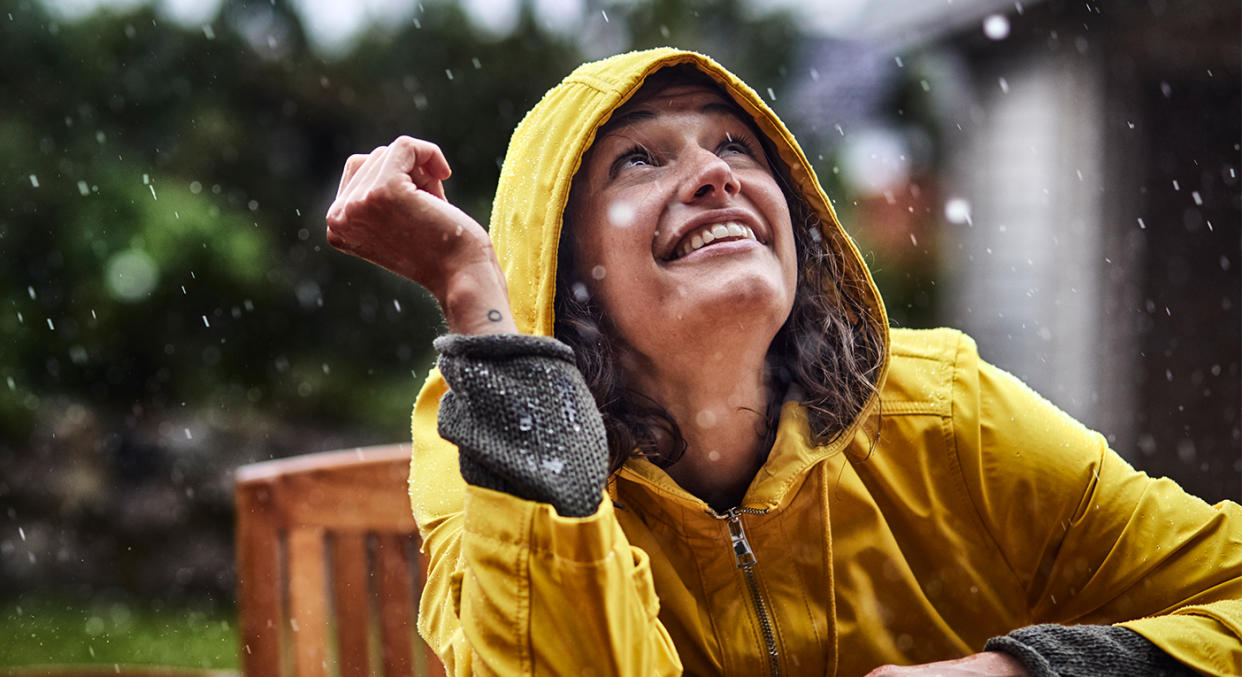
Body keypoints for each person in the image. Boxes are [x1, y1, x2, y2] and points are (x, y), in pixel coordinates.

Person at [325, 48, 1241, 676]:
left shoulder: (945, 411)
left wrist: (1028, 667)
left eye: (735, 146)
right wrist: (471, 284)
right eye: (638, 159)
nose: (716, 174)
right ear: (559, 273)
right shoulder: (487, 438)